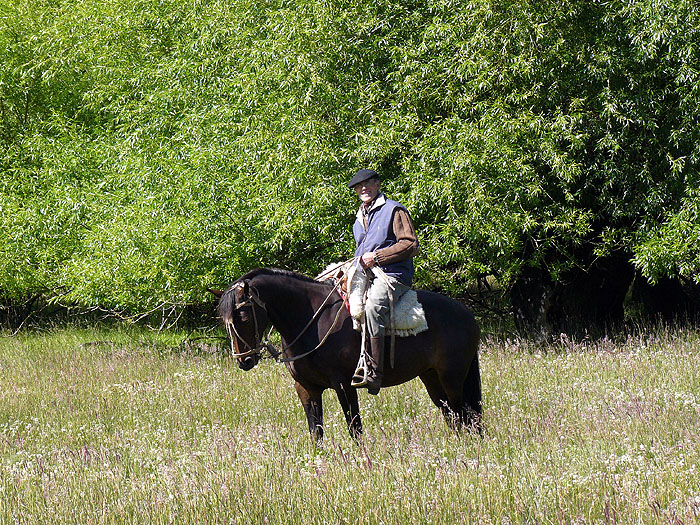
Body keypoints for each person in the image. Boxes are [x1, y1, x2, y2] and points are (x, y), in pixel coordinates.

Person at [347, 168, 419, 394]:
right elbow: (363, 253)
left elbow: (410, 244)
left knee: (373, 307)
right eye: (359, 187)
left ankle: (374, 372)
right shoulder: (358, 219)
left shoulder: (394, 210)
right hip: (368, 273)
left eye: (368, 184)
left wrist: (377, 257)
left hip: (393, 275)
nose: (364, 188)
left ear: (378, 185)